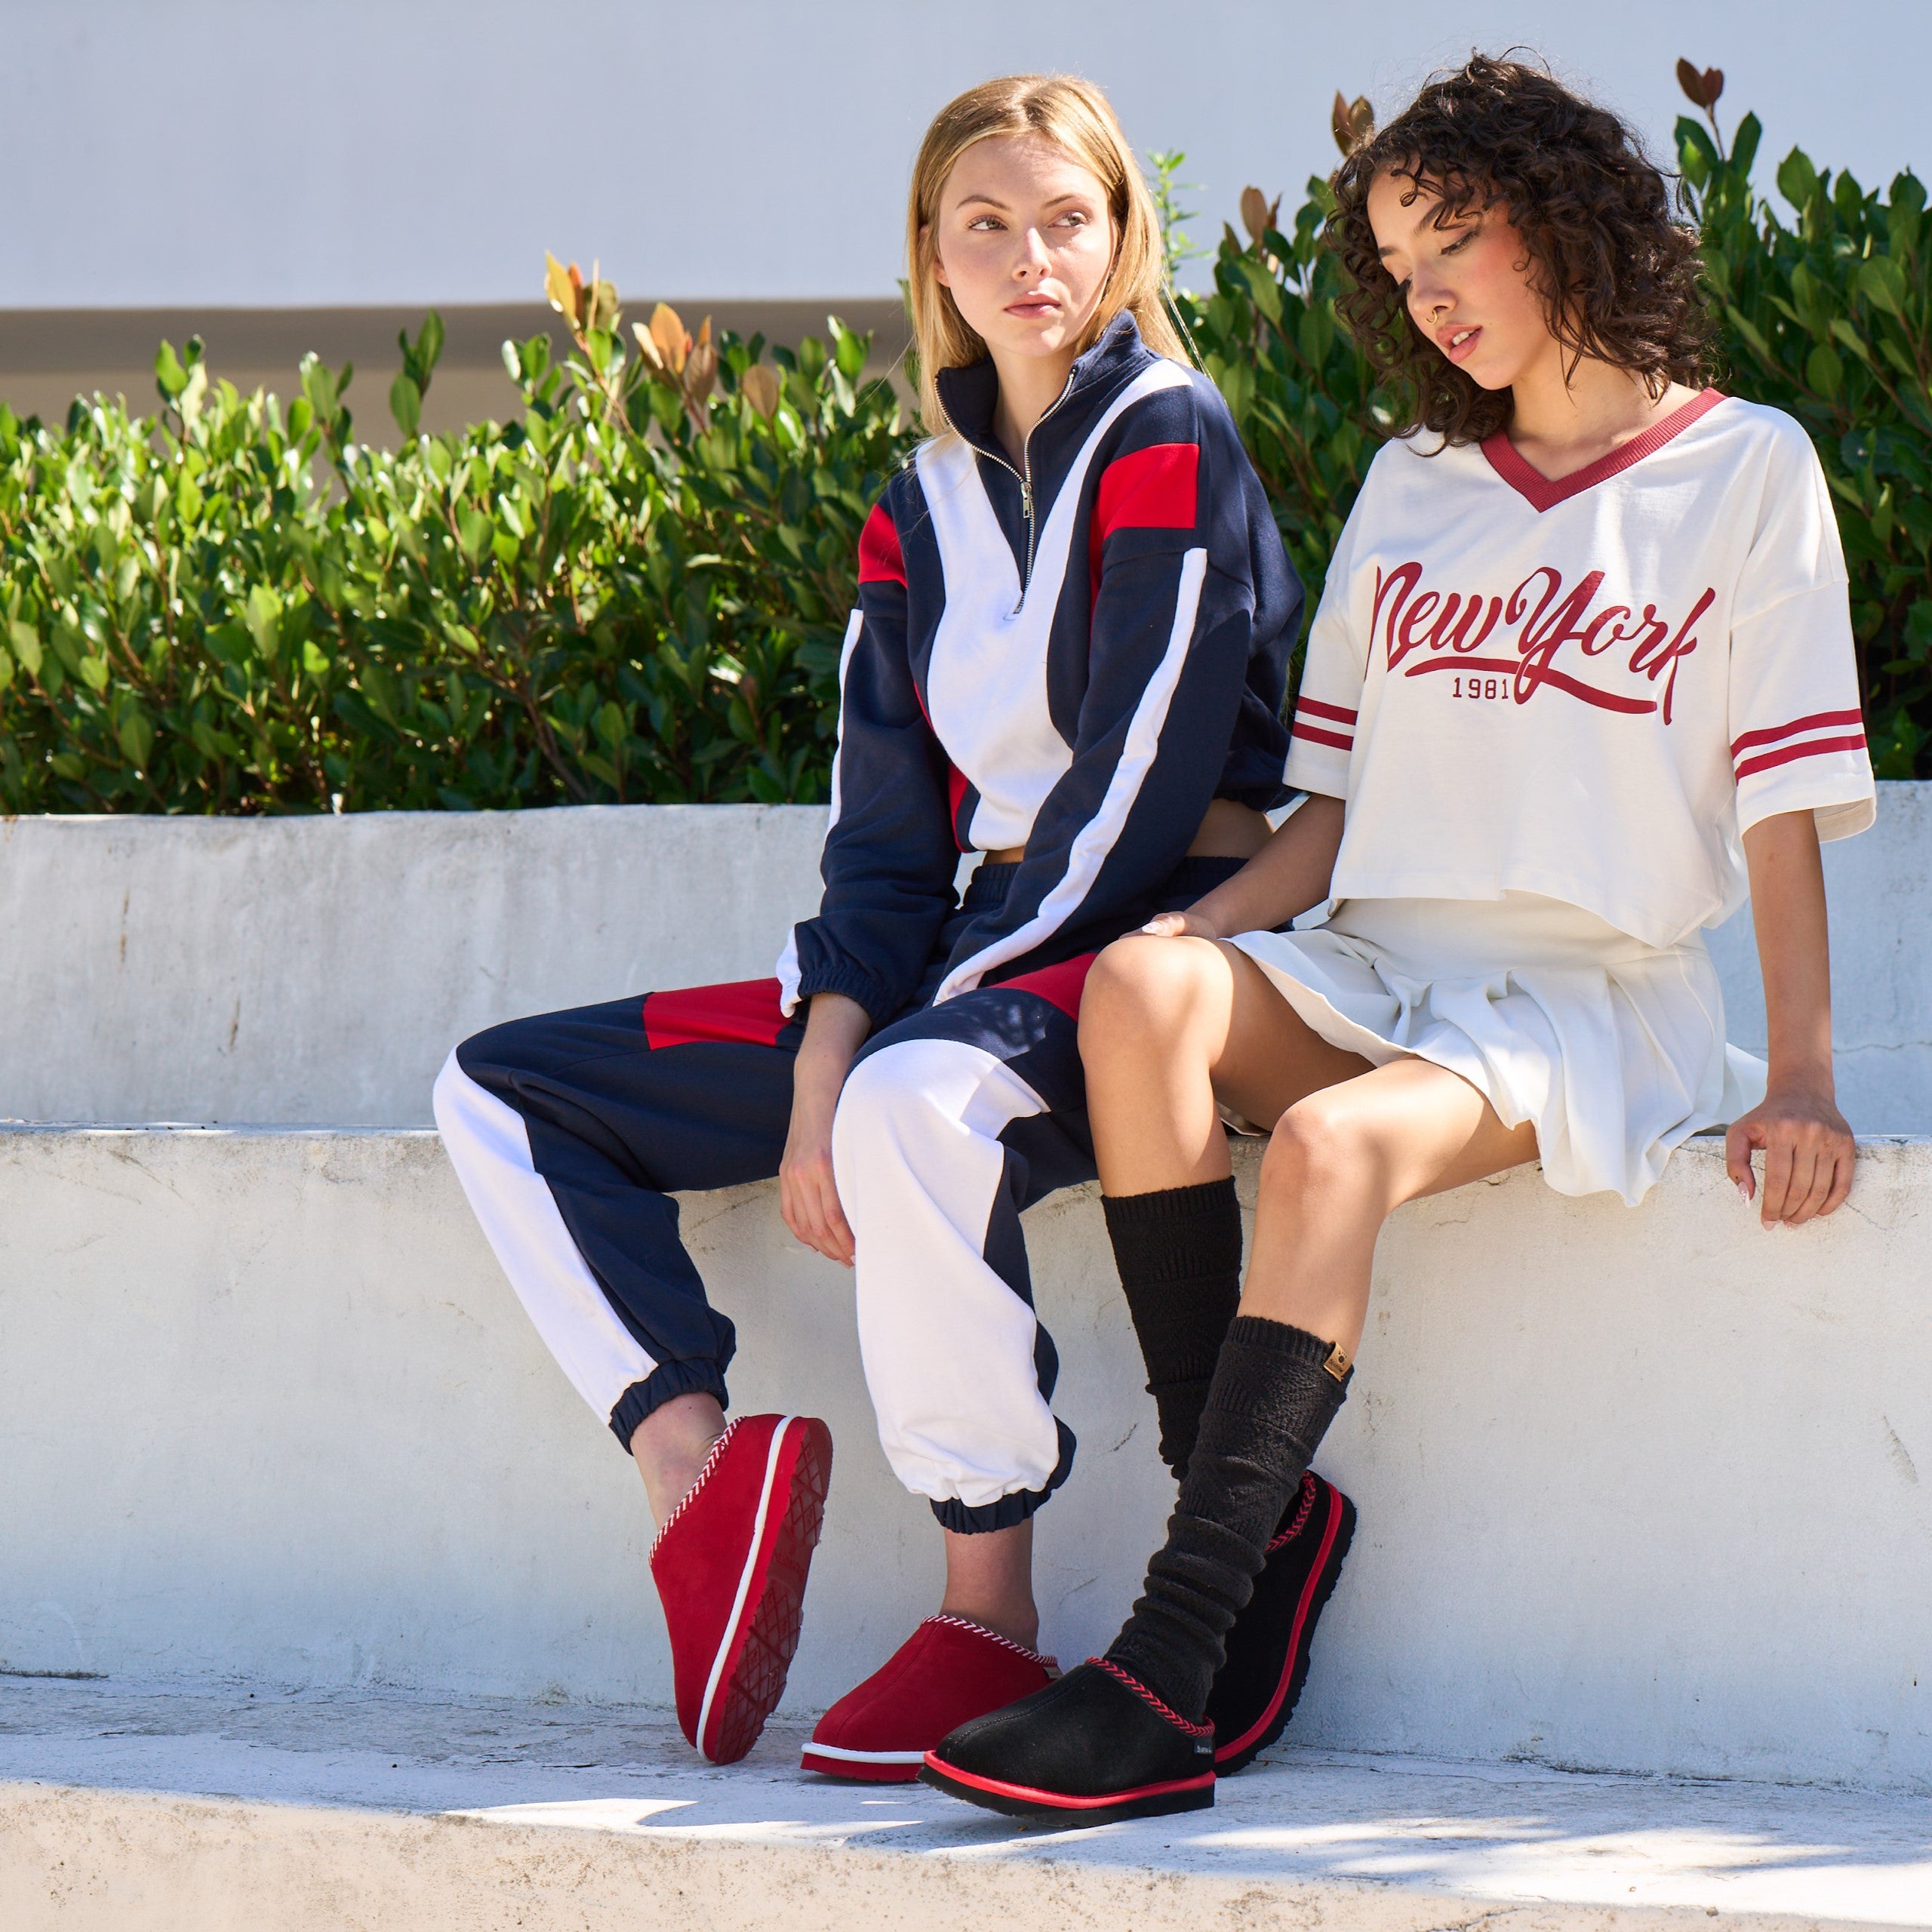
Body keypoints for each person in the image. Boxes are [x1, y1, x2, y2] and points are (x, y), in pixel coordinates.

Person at [921, 52, 1878, 1824]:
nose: (1427, 297)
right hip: (1377, 963)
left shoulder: (1746, 468)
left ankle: (1168, 1662)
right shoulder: (1411, 482)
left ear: (1559, 215)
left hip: (1587, 996)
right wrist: (1191, 938)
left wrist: (1802, 1073)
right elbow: (1334, 812)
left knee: (1332, 1147)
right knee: (1138, 989)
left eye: (1453, 241)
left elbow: (1781, 801)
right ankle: (1252, 1518)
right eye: (1396, 267)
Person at [432, 70, 1322, 1772]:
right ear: (931, 254)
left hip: (1149, 943)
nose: (1030, 256)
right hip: (962, 949)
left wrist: (904, 1037)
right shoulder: (914, 507)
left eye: (1066, 218)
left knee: (914, 1100)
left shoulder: (1168, 433)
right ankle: (694, 1472)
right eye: (986, 223)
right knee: (503, 1092)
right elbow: (885, 839)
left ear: (1122, 238)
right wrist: (826, 1042)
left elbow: (1139, 782)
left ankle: (985, 1611)